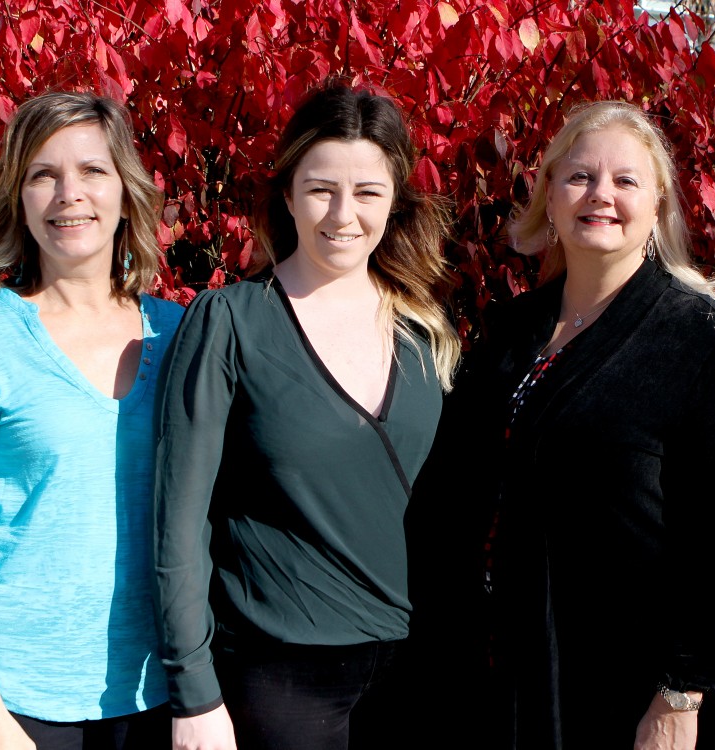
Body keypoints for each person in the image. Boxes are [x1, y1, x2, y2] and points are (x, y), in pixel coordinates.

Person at [408, 101, 715, 750]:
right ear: (548, 195)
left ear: (658, 203)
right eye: (579, 177)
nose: (600, 195)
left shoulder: (698, 339)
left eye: (625, 181)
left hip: (636, 695)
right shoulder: (514, 330)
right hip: (512, 678)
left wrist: (682, 693)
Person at [152, 83, 459, 750]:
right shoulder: (231, 322)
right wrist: (194, 692)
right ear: (288, 193)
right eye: (321, 188)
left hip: (418, 672)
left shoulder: (424, 331)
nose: (343, 214)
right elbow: (177, 523)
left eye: (368, 192)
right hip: (283, 677)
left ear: (395, 202)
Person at [0, 91, 182, 749]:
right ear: (18, 197)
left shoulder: (182, 336)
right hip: (22, 703)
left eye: (92, 170)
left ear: (125, 190)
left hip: (164, 690)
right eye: (43, 174)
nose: (70, 194)